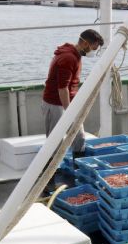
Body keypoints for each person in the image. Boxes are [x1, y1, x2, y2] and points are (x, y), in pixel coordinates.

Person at [42, 29, 104, 157]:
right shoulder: (69, 58)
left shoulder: (75, 54)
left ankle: (77, 167)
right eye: (94, 47)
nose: (94, 51)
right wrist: (69, 111)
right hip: (56, 104)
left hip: (68, 102)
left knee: (79, 136)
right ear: (86, 44)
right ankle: (52, 172)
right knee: (55, 142)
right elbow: (62, 88)